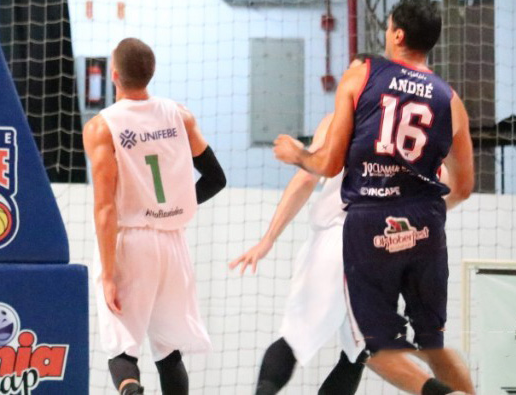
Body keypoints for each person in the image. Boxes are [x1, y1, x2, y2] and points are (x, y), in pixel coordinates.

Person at [273, 0, 476, 395]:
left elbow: (330, 164)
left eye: (387, 26)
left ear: (398, 34)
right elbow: (464, 186)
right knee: (431, 342)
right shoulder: (449, 99)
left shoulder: (364, 76)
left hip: (371, 223)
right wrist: (427, 209)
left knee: (374, 345)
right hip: (425, 227)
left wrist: (296, 153)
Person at [83, 38, 227, 395]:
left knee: (122, 347)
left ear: (114, 75)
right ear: (151, 74)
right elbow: (216, 178)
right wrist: (177, 205)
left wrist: (109, 273)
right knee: (168, 352)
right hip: (173, 244)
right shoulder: (179, 115)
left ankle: (132, 391)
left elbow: (105, 209)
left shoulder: (102, 127)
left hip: (130, 241)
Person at [230, 104, 366, 395]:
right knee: (357, 355)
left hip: (339, 238)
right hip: (382, 247)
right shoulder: (407, 124)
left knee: (294, 340)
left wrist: (268, 239)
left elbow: (306, 178)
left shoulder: (339, 120)